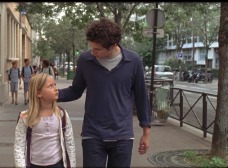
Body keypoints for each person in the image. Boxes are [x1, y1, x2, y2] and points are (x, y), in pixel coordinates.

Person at [57, 17, 152, 167]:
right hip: (93, 135)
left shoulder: (133, 61)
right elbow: (75, 91)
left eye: (98, 49)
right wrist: (53, 94)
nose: (93, 52)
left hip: (123, 136)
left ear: (113, 45)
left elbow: (141, 98)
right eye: (92, 47)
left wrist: (146, 133)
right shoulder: (85, 60)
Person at [14, 73, 76, 168]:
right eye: (50, 86)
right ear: (38, 93)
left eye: (55, 84)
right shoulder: (26, 117)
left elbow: (70, 144)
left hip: (57, 164)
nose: (56, 89)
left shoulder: (62, 115)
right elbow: (19, 146)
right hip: (33, 164)